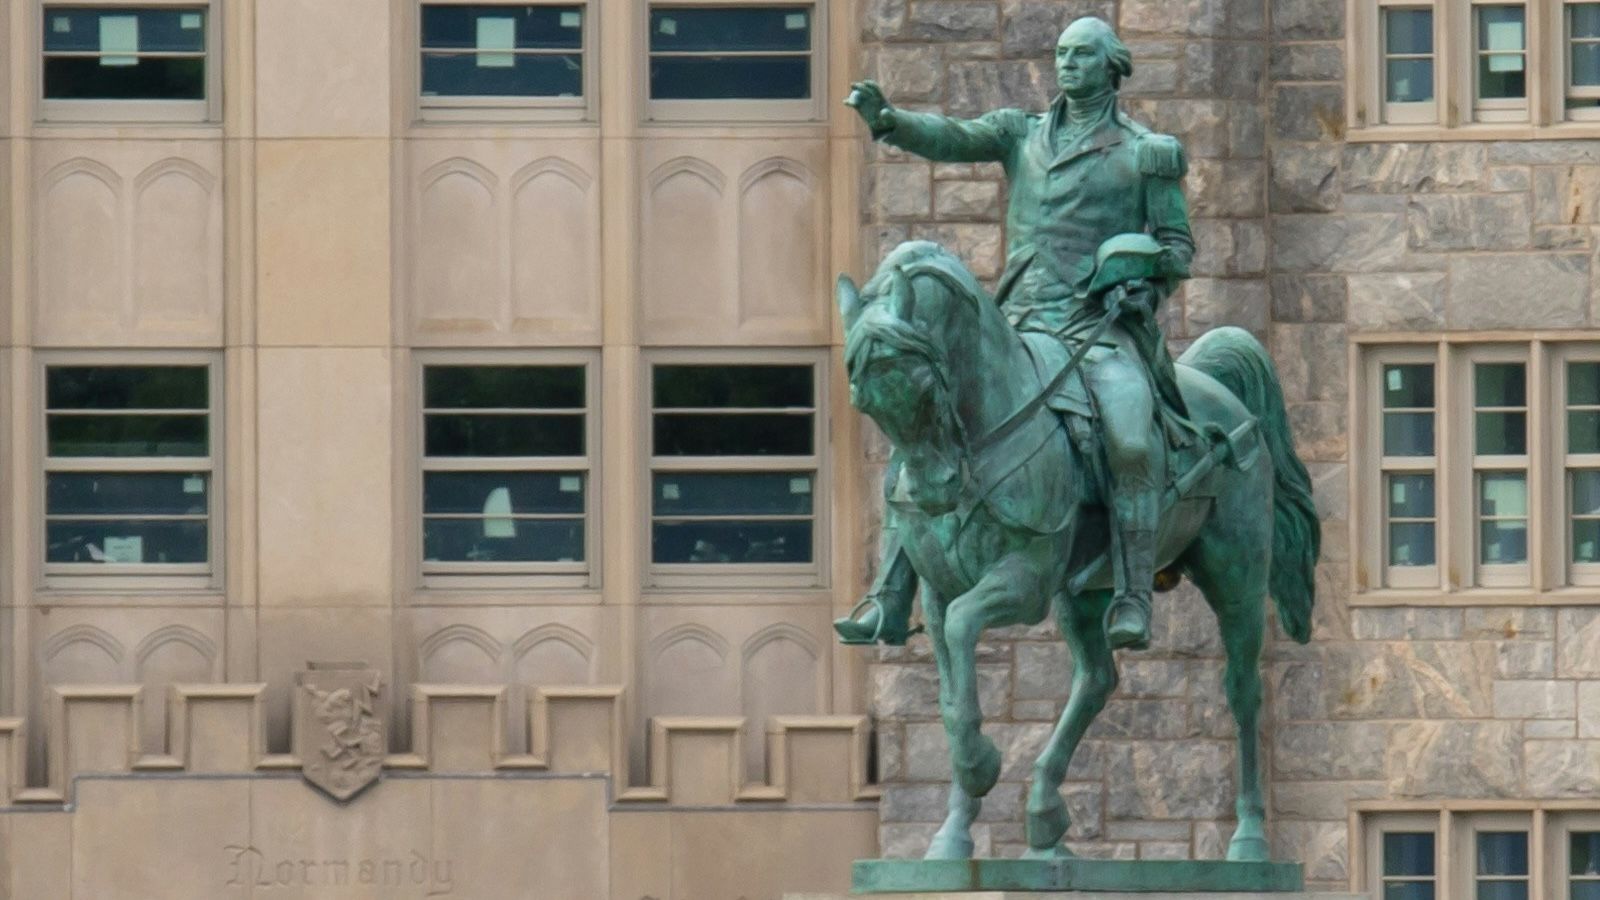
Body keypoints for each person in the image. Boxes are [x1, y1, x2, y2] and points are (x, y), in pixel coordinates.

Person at [834, 16, 1195, 651]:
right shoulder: (1018, 134)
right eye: (1060, 54)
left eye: (1081, 55)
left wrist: (1146, 282)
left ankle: (1134, 593)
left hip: (1097, 332)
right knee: (923, 417)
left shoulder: (1146, 152)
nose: (1067, 65)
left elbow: (1177, 248)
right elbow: (951, 137)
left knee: (1132, 442)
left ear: (1112, 66)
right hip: (1020, 325)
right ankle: (890, 592)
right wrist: (890, 120)